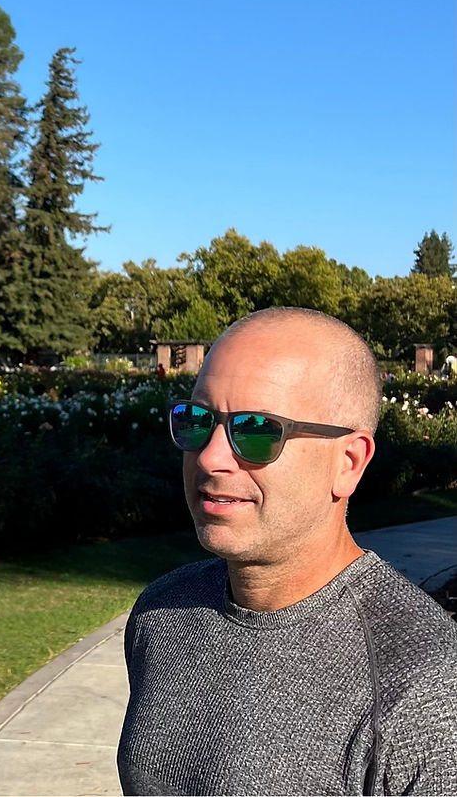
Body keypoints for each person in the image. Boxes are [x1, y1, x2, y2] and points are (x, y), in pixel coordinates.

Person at [117, 307, 457, 796]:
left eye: (257, 430)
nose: (210, 457)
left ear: (348, 462)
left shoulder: (424, 687)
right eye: (197, 421)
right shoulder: (163, 614)